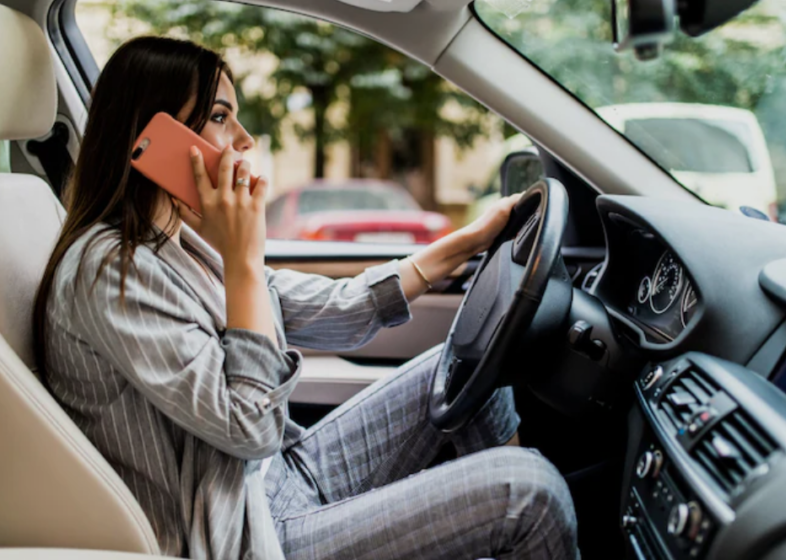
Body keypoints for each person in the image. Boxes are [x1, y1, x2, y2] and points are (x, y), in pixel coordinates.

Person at [33, 36, 579, 560]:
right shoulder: (110, 271)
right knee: (529, 492)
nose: (245, 139)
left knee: (462, 365)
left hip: (281, 477)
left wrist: (468, 242)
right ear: (155, 137)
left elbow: (339, 309)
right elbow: (250, 427)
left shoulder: (177, 247)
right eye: (221, 117)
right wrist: (244, 262)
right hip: (245, 535)